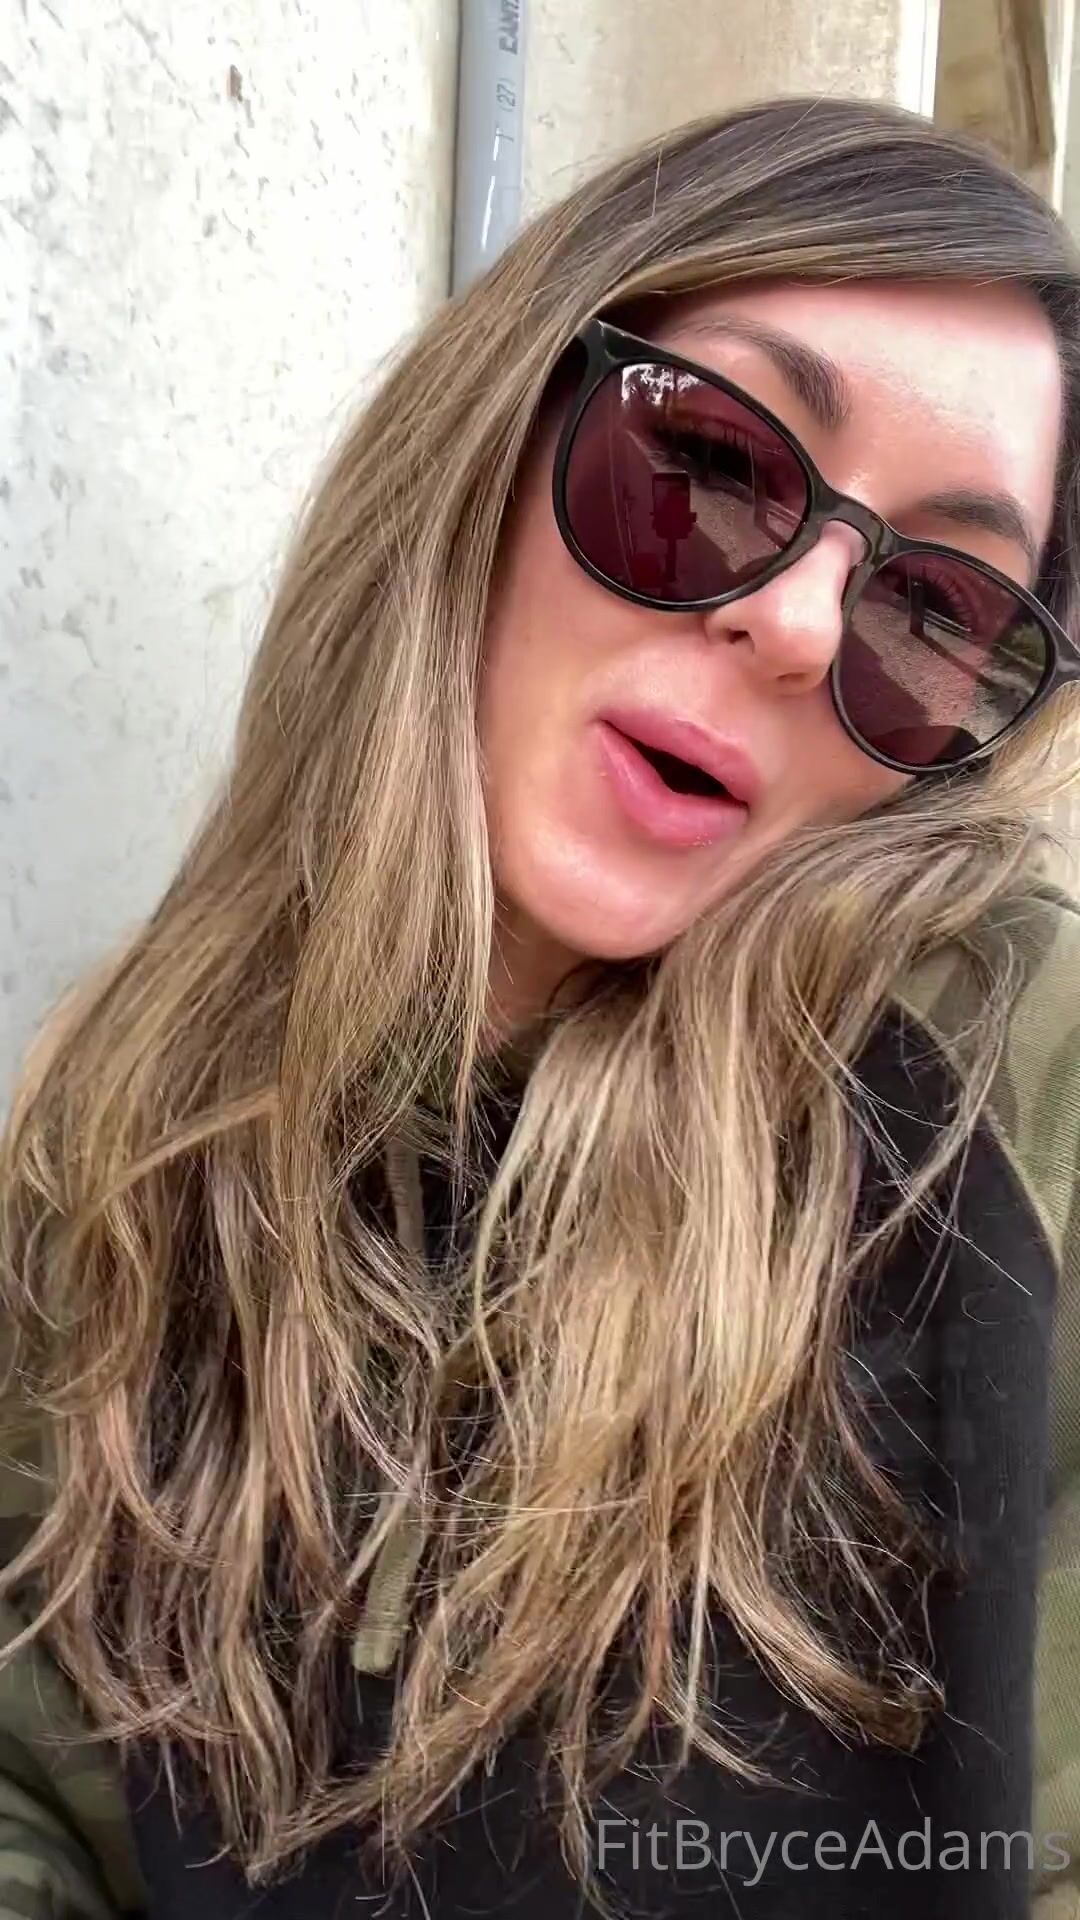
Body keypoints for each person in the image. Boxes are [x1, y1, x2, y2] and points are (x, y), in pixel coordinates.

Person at [1, 92, 1079, 1920]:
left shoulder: (1013, 1073)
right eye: (714, 461)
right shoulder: (122, 1125)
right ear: (493, 436)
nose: (808, 626)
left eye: (936, 609)